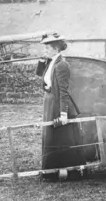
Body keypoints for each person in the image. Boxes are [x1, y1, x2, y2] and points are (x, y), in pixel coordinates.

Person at [35, 33, 86, 181]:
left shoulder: (62, 65)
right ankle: (50, 172)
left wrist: (63, 113)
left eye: (47, 48)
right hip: (50, 102)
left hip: (58, 103)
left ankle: (72, 172)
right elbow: (40, 74)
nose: (45, 50)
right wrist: (42, 60)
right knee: (51, 137)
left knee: (63, 138)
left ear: (56, 49)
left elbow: (64, 91)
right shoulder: (51, 62)